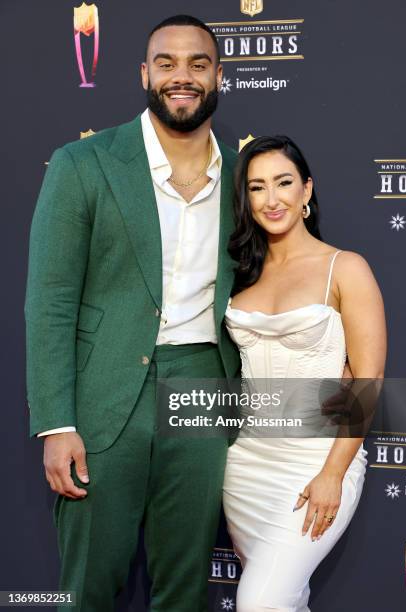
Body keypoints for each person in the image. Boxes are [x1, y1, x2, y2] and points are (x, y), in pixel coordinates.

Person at [24, 14, 240, 612]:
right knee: (86, 586)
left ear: (219, 76)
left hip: (202, 384)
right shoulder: (83, 164)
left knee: (184, 585)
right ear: (145, 74)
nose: (183, 77)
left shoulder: (248, 177)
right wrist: (56, 422)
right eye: (167, 63)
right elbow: (49, 303)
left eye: (198, 64)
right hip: (103, 390)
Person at [222, 135, 386, 611]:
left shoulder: (345, 268)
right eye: (256, 188)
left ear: (307, 190)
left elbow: (369, 378)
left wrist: (333, 473)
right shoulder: (241, 276)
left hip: (315, 465)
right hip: (246, 467)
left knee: (260, 602)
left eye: (284, 183)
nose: (271, 199)